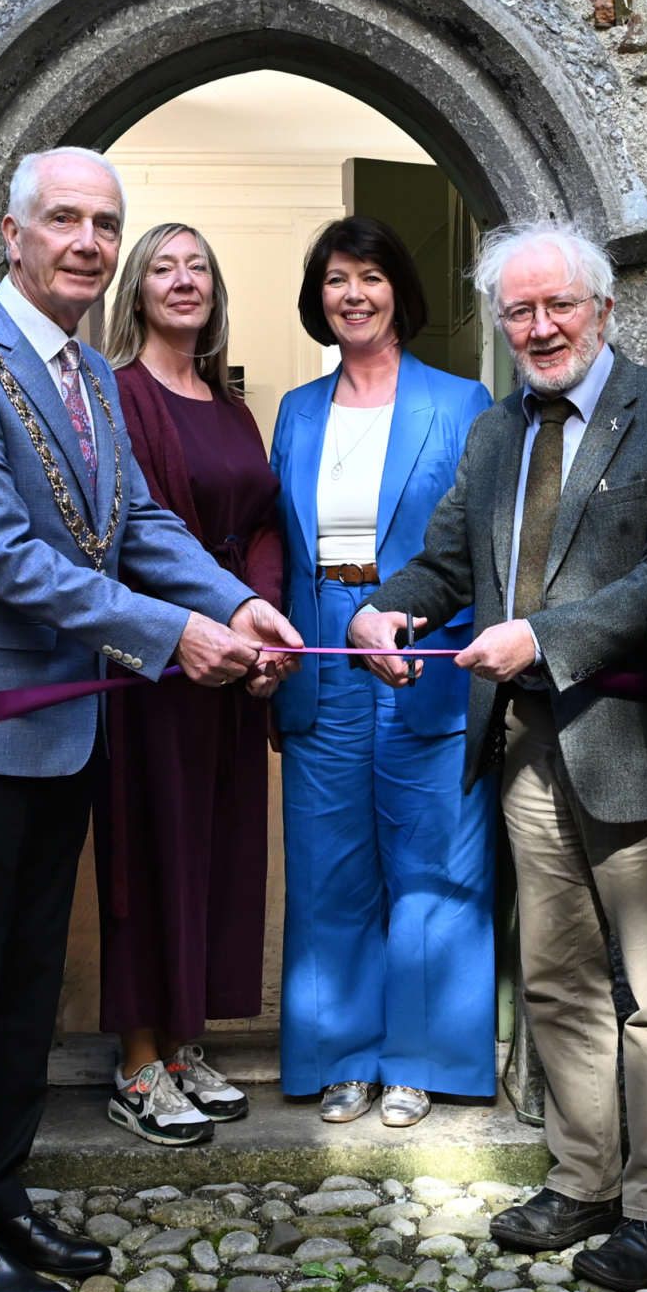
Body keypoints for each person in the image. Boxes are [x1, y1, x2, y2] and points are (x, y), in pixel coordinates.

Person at [0, 148, 303, 1292]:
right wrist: (169, 635)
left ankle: (0, 1191)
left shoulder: (82, 371)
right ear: (12, 237)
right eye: (62, 219)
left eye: (102, 223)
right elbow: (2, 555)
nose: (85, 240)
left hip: (69, 726)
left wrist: (231, 601)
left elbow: (135, 522)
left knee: (27, 990)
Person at [354, 221, 647, 1290]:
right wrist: (389, 611)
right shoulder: (493, 430)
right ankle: (579, 1177)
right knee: (556, 976)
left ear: (602, 309)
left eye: (558, 304)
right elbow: (446, 558)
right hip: (520, 747)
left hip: (634, 747)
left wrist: (542, 640)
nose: (539, 325)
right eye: (518, 310)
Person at [270, 216, 493, 1130]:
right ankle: (340, 1055)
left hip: (423, 646)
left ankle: (422, 1057)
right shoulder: (294, 409)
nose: (352, 294)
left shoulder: (464, 399)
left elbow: (482, 548)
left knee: (434, 863)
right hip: (320, 646)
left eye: (369, 275)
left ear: (399, 287)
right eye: (334, 279)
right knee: (328, 868)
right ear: (317, 299)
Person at [95, 222, 283, 1145]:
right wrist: (206, 623)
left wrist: (266, 624)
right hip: (159, 662)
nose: (182, 281)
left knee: (217, 855)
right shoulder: (116, 394)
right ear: (136, 291)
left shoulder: (230, 402)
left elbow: (265, 524)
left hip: (236, 659)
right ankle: (135, 1059)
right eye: (163, 268)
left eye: (197, 267)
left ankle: (181, 1042)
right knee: (151, 854)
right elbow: (126, 534)